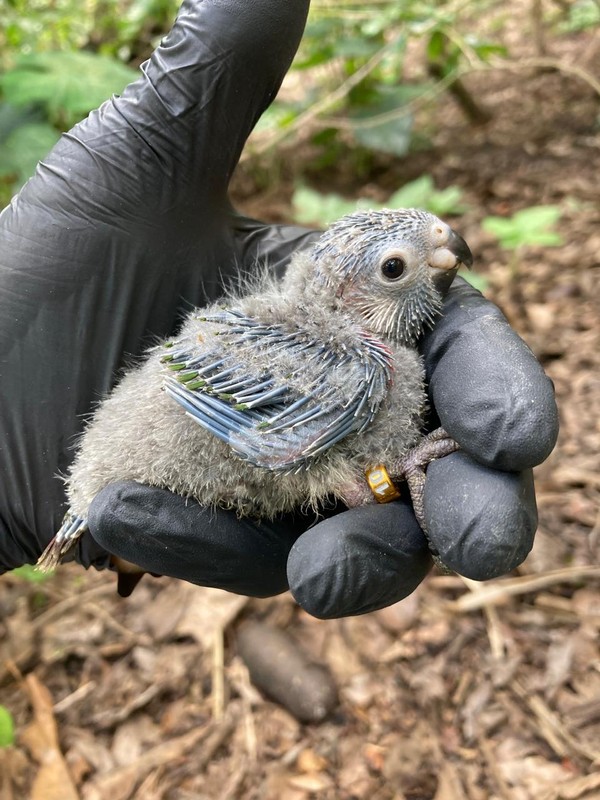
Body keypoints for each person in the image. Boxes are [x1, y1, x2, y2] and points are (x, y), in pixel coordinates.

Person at [0, 0, 558, 618]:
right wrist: (389, 474)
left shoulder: (355, 356)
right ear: (350, 299)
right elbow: (283, 455)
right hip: (137, 456)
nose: (445, 251)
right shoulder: (356, 366)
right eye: (395, 269)